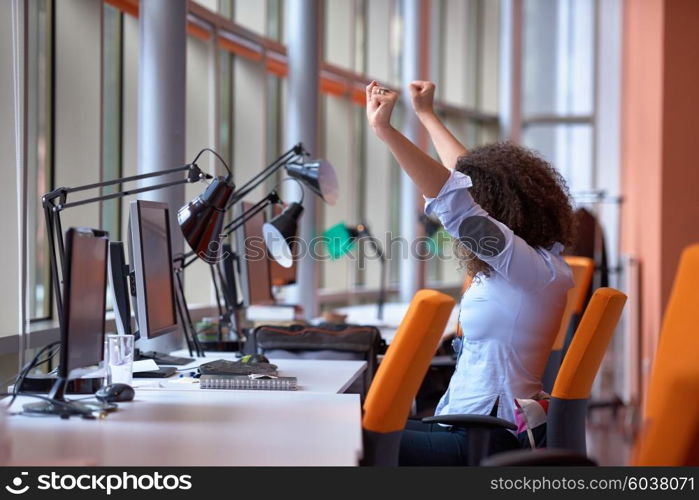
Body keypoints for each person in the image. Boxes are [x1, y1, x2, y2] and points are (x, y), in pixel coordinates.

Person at [365, 80, 576, 465]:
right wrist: (426, 115)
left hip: (486, 437)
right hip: (465, 424)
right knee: (352, 424)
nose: (477, 201)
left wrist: (386, 131)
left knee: (355, 441)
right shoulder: (534, 264)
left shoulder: (528, 269)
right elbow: (467, 184)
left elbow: (459, 204)